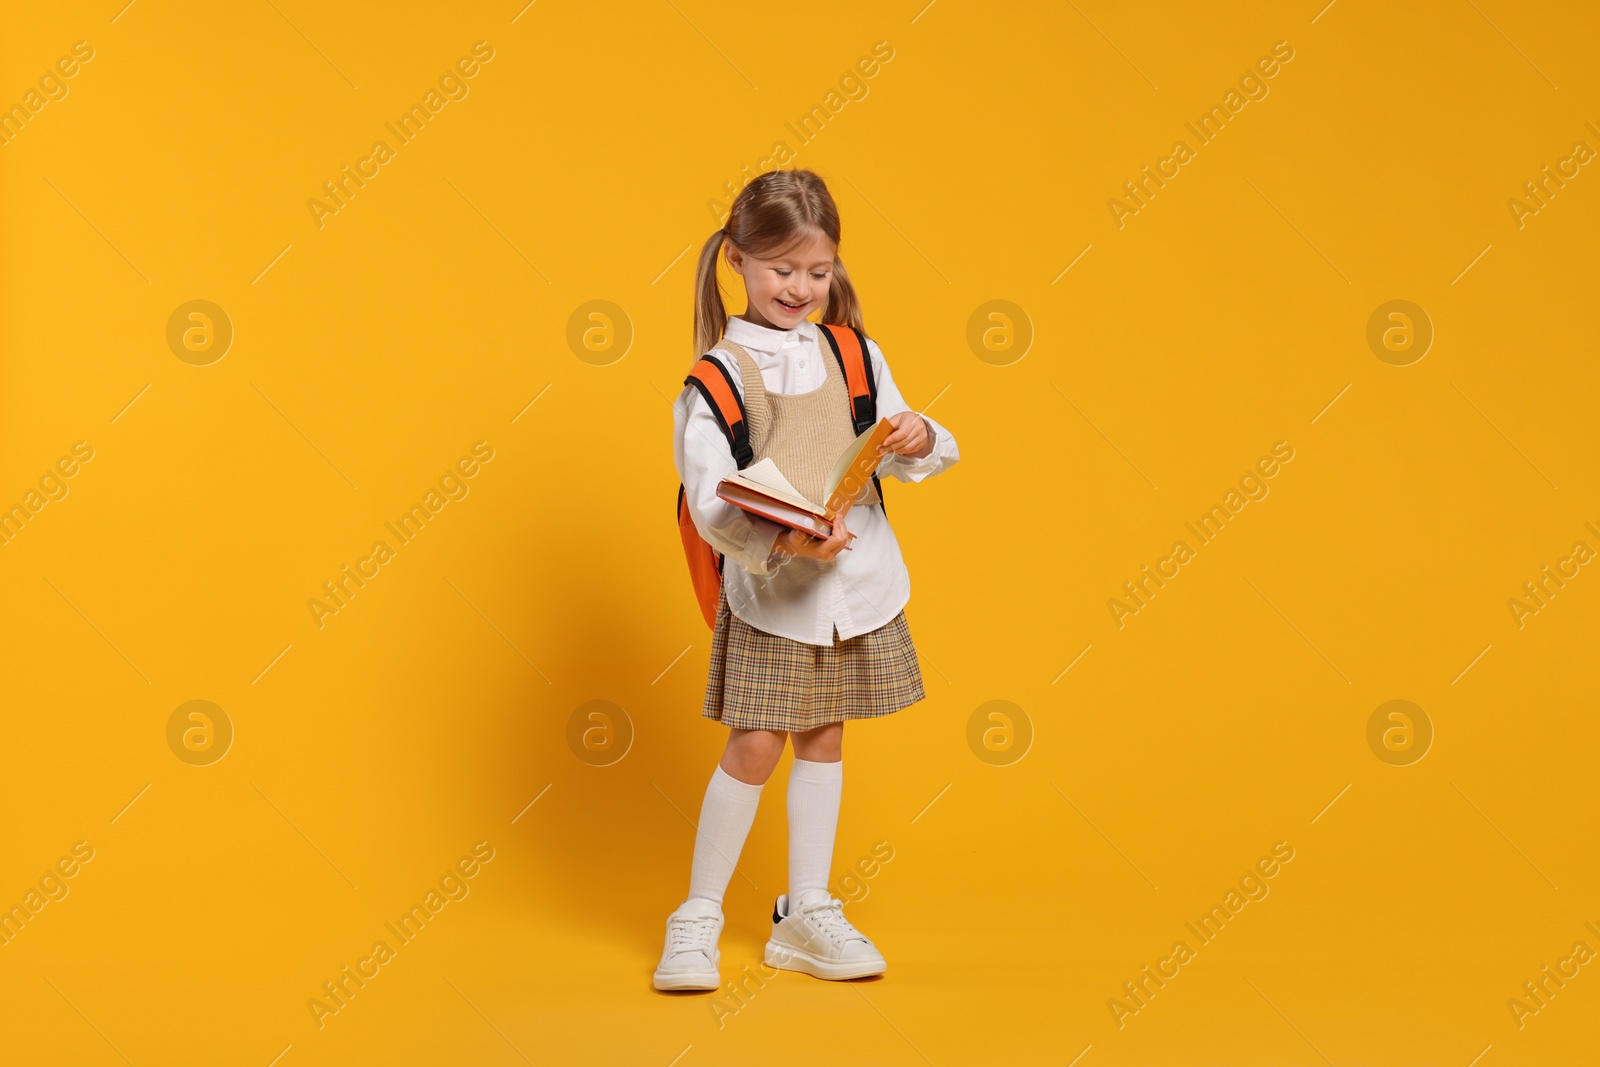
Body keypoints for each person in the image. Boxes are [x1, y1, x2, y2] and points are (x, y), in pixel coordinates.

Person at [654, 168, 960, 991]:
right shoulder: (716, 378)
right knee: (755, 744)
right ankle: (699, 915)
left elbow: (922, 448)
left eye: (817, 272)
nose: (800, 287)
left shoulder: (856, 351)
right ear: (738, 262)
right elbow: (710, 498)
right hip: (776, 594)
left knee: (825, 736)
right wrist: (785, 539)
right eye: (782, 268)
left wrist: (919, 433)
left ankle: (808, 910)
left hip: (856, 585)